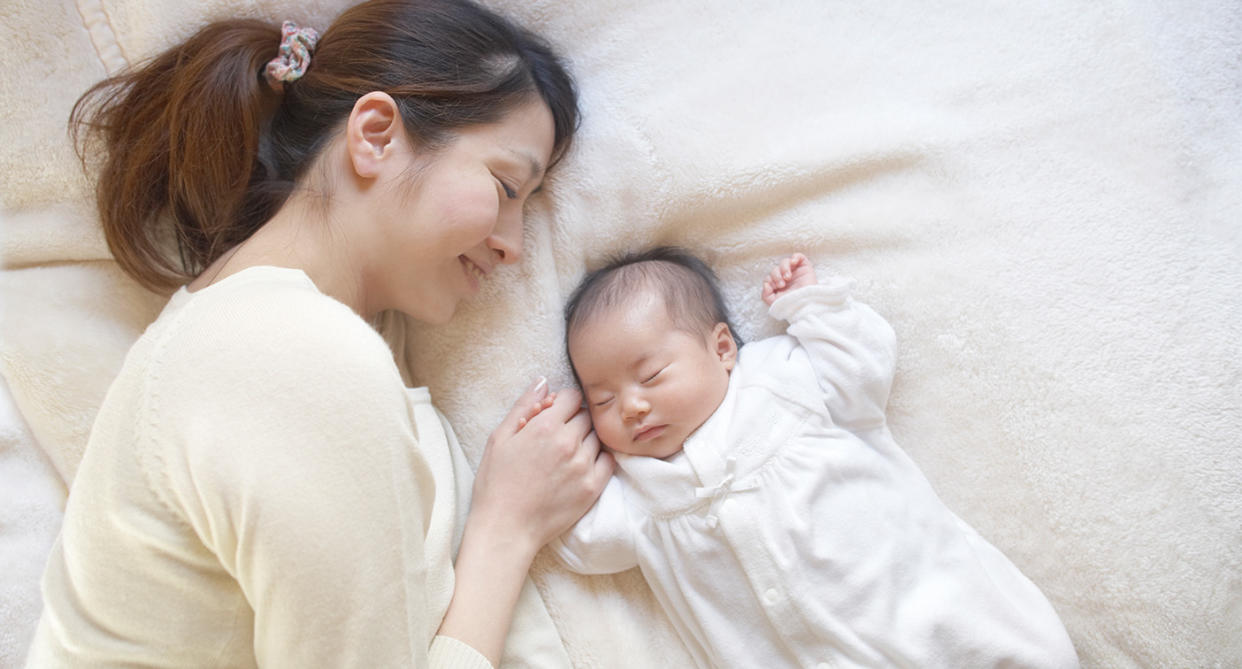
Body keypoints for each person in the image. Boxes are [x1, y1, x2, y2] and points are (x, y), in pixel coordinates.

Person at [27, 1, 615, 667]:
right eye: (507, 186)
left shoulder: (264, 330)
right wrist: (506, 530)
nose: (514, 245)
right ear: (374, 136)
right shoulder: (286, 353)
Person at [553, 246, 1079, 668]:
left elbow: (864, 364)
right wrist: (558, 452)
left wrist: (810, 306)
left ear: (722, 349)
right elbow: (583, 541)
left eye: (651, 376)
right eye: (603, 399)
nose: (632, 406)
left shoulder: (782, 381)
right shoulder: (639, 494)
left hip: (924, 615)